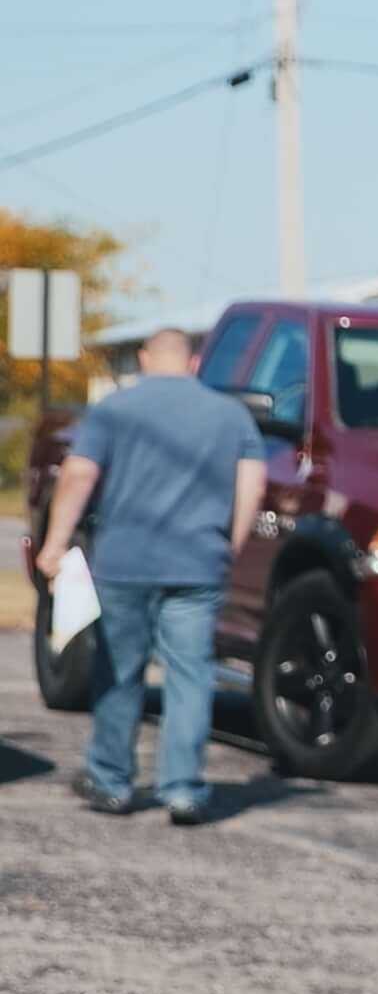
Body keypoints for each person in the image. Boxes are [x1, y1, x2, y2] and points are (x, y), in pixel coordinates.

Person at [28, 326, 266, 824]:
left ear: (142, 358)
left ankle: (112, 781)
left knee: (118, 671)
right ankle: (183, 790)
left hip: (124, 562)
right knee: (190, 674)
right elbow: (252, 487)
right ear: (195, 363)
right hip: (198, 563)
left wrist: (54, 543)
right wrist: (230, 546)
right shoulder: (230, 415)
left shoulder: (116, 409)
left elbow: (78, 474)